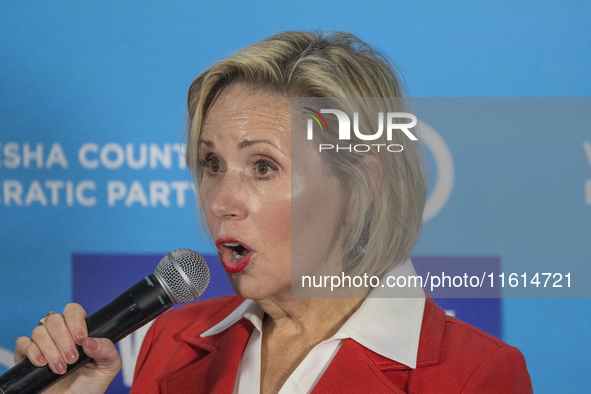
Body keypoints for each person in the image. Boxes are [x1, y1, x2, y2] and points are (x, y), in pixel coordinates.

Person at [14, 31, 533, 393]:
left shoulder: (475, 375)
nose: (219, 202)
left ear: (358, 189)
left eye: (263, 167)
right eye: (211, 163)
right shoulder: (172, 341)